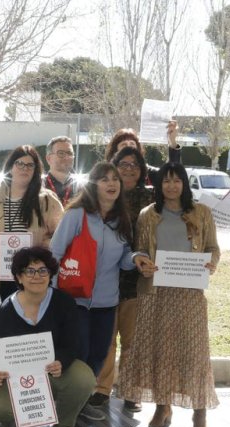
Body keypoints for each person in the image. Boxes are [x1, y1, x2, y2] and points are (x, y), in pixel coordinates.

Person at [118, 162, 220, 427]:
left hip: (190, 293)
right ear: (159, 185)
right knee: (160, 351)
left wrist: (211, 262)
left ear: (184, 184)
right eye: (166, 181)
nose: (171, 186)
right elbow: (140, 248)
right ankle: (163, 407)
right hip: (155, 292)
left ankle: (200, 412)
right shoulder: (148, 214)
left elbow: (213, 248)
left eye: (177, 181)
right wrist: (141, 261)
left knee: (193, 352)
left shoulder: (202, 212)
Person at [0, 246, 96, 427]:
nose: (37, 276)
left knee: (83, 379)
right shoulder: (7, 307)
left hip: (50, 368)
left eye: (43, 270)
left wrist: (61, 361)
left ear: (50, 274)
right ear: (19, 277)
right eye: (29, 271)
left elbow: (72, 344)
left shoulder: (64, 302)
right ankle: (11, 419)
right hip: (13, 372)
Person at [50, 162, 135, 422]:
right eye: (104, 179)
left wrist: (137, 259)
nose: (111, 184)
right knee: (79, 354)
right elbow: (54, 253)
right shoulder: (77, 215)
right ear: (93, 185)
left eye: (115, 179)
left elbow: (124, 261)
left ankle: (81, 400)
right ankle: (68, 405)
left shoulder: (122, 220)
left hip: (106, 303)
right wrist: (51, 295)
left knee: (98, 355)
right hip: (74, 300)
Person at [88, 147, 154, 412]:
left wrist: (173, 147)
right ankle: (101, 389)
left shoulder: (151, 197)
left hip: (136, 281)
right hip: (105, 281)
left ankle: (130, 390)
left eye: (134, 164)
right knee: (106, 339)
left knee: (132, 341)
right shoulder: (104, 200)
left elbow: (176, 184)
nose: (129, 169)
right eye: (123, 164)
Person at [0, 145, 63, 301]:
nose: (24, 168)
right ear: (10, 167)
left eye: (30, 165)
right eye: (19, 164)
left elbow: (60, 236)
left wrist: (42, 248)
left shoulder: (48, 200)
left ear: (36, 170)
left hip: (33, 276)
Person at [104, 120, 181, 185]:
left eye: (132, 144)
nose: (128, 147)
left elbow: (170, 175)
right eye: (124, 145)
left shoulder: (148, 173)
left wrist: (172, 142)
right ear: (115, 151)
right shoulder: (105, 174)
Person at [43, 136, 80, 206]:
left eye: (70, 153)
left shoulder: (81, 187)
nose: (66, 157)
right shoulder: (39, 185)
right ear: (48, 158)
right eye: (61, 153)